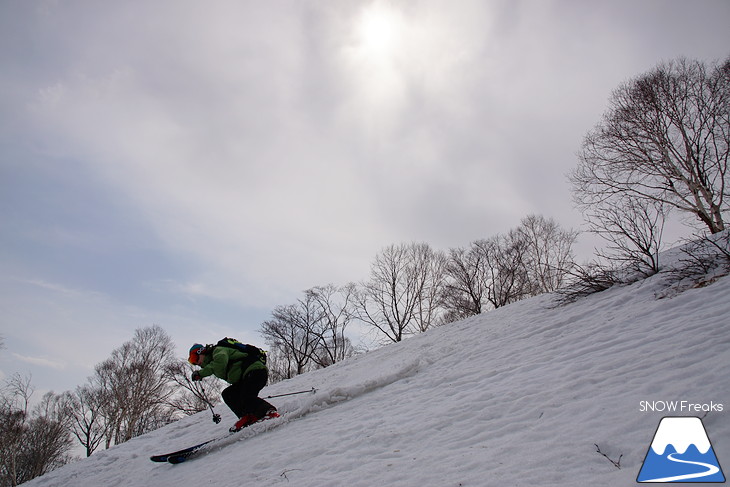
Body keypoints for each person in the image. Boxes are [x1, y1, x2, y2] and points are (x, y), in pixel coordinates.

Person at [189, 341, 279, 432]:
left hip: (255, 371)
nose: (196, 363)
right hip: (245, 378)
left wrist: (201, 373)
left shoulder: (218, 351)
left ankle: (269, 411)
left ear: (201, 351)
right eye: (192, 362)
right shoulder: (211, 363)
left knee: (246, 396)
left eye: (194, 358)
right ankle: (247, 416)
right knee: (228, 394)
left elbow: (220, 363)